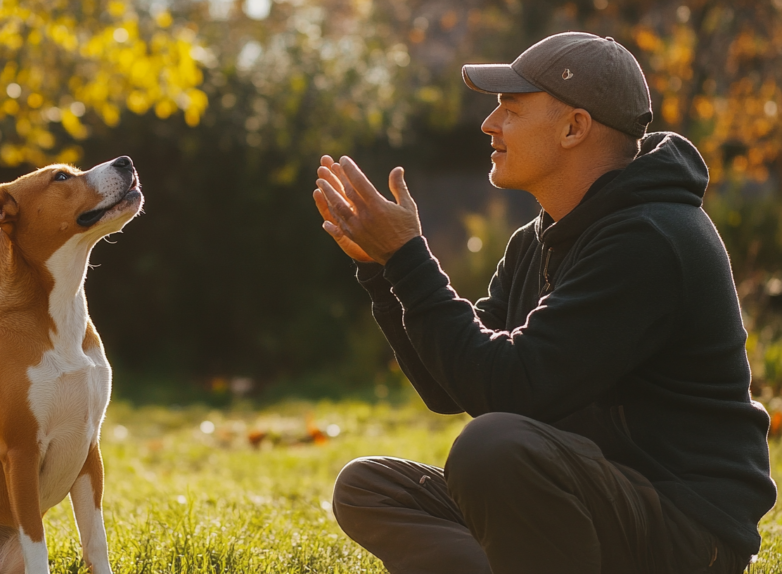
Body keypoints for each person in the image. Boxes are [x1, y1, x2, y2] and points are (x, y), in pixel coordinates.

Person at [312, 31, 775, 574]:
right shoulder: (536, 239)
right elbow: (450, 384)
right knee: (370, 488)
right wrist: (383, 267)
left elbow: (512, 390)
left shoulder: (651, 237)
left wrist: (411, 258)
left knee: (492, 447)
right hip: (587, 500)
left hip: (684, 528)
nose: (489, 124)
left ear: (574, 127)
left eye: (510, 108)